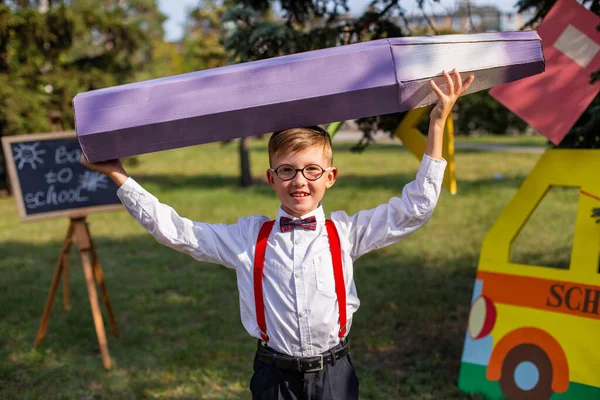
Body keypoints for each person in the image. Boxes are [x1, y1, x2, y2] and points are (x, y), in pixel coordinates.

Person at [81, 69, 474, 400]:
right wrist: (120, 176)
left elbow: (415, 208)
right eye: (286, 170)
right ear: (271, 177)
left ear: (330, 177)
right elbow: (177, 232)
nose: (299, 181)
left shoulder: (346, 232)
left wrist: (437, 124)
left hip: (335, 375)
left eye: (311, 170)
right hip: (273, 378)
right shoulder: (248, 239)